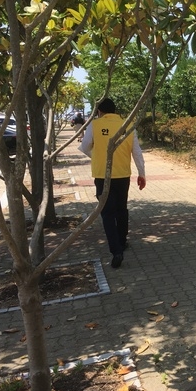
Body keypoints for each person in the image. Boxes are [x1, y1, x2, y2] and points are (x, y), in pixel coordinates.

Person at [79, 98, 146, 268]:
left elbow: (85, 147)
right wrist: (142, 174)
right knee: (121, 209)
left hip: (103, 176)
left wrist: (96, 158)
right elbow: (137, 152)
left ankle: (116, 251)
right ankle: (122, 242)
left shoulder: (94, 125)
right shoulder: (127, 125)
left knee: (107, 213)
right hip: (123, 175)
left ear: (100, 111)